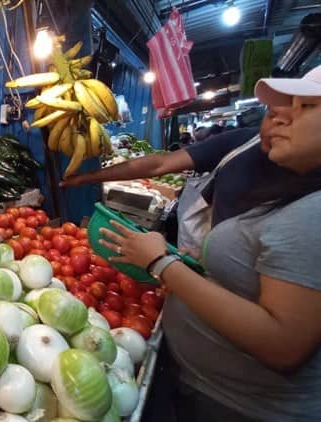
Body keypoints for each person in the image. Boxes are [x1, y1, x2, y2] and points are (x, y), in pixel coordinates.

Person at [100, 66, 321, 421]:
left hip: (244, 408)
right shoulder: (295, 192)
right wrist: (202, 262)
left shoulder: (314, 214)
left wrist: (162, 264)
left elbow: (283, 345)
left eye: (306, 106)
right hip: (215, 394)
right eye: (281, 105)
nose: (279, 114)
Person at [61, 111, 286, 228]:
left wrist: (164, 265)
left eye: (303, 109)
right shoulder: (241, 142)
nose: (278, 123)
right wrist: (86, 177)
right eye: (272, 113)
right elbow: (159, 164)